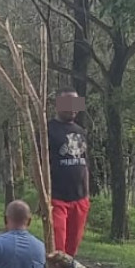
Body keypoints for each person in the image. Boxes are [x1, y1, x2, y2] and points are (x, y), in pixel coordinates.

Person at [48, 89, 91, 257]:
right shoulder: (48, 130)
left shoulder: (81, 131)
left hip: (80, 199)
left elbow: (84, 163)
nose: (73, 108)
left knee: (72, 248)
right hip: (57, 198)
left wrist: (87, 196)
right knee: (58, 248)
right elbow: (38, 165)